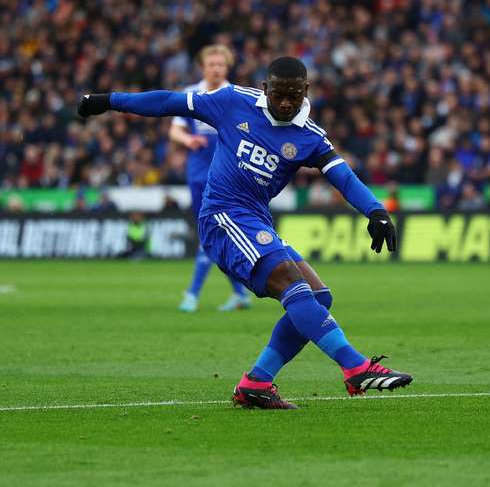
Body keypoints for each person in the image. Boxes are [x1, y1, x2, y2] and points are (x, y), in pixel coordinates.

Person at [78, 57, 412, 409]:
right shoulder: (233, 101)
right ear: (266, 89)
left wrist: (375, 210)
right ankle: (355, 366)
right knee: (290, 281)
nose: (285, 102)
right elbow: (167, 102)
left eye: (294, 95)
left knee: (318, 297)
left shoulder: (310, 137)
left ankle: (257, 383)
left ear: (306, 92)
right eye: (279, 94)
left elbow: (343, 177)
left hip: (255, 221)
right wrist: (109, 100)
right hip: (221, 216)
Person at [170, 45, 252, 313]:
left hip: (227, 175)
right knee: (215, 236)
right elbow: (175, 131)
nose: (216, 68)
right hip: (197, 174)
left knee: (212, 235)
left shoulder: (236, 96)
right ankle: (240, 294)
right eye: (211, 64)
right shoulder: (190, 94)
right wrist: (188, 139)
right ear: (202, 67)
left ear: (226, 67)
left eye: (221, 64)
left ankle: (192, 294)